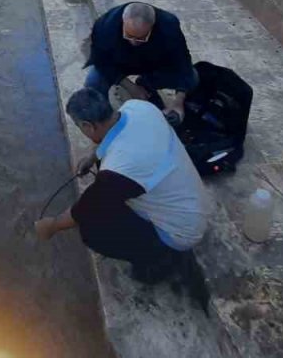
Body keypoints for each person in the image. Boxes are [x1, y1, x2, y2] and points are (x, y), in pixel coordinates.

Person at [35, 88, 210, 284]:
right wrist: (93, 157)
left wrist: (51, 226)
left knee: (91, 229)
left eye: (79, 127)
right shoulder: (139, 107)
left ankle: (155, 261)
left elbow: (84, 209)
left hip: (180, 233)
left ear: (87, 126)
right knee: (107, 189)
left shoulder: (118, 170)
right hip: (193, 204)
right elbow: (119, 135)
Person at [85, 2, 197, 120]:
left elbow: (183, 62)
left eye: (141, 38)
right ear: (122, 22)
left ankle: (146, 84)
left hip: (152, 64)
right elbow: (100, 60)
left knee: (193, 77)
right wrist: (130, 87)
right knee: (93, 82)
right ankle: (105, 119)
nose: (134, 42)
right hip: (119, 63)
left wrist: (178, 102)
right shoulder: (105, 26)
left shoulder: (169, 25)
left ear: (153, 27)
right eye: (128, 35)